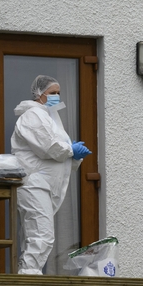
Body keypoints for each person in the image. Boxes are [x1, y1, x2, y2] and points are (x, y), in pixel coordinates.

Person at [12, 75, 91, 275]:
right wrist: (71, 150)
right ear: (39, 94)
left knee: (35, 233)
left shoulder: (50, 118)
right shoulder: (33, 116)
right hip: (34, 183)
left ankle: (27, 274)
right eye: (52, 93)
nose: (57, 96)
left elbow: (58, 153)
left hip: (43, 185)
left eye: (59, 93)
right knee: (42, 234)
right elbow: (48, 147)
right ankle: (29, 277)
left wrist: (73, 155)